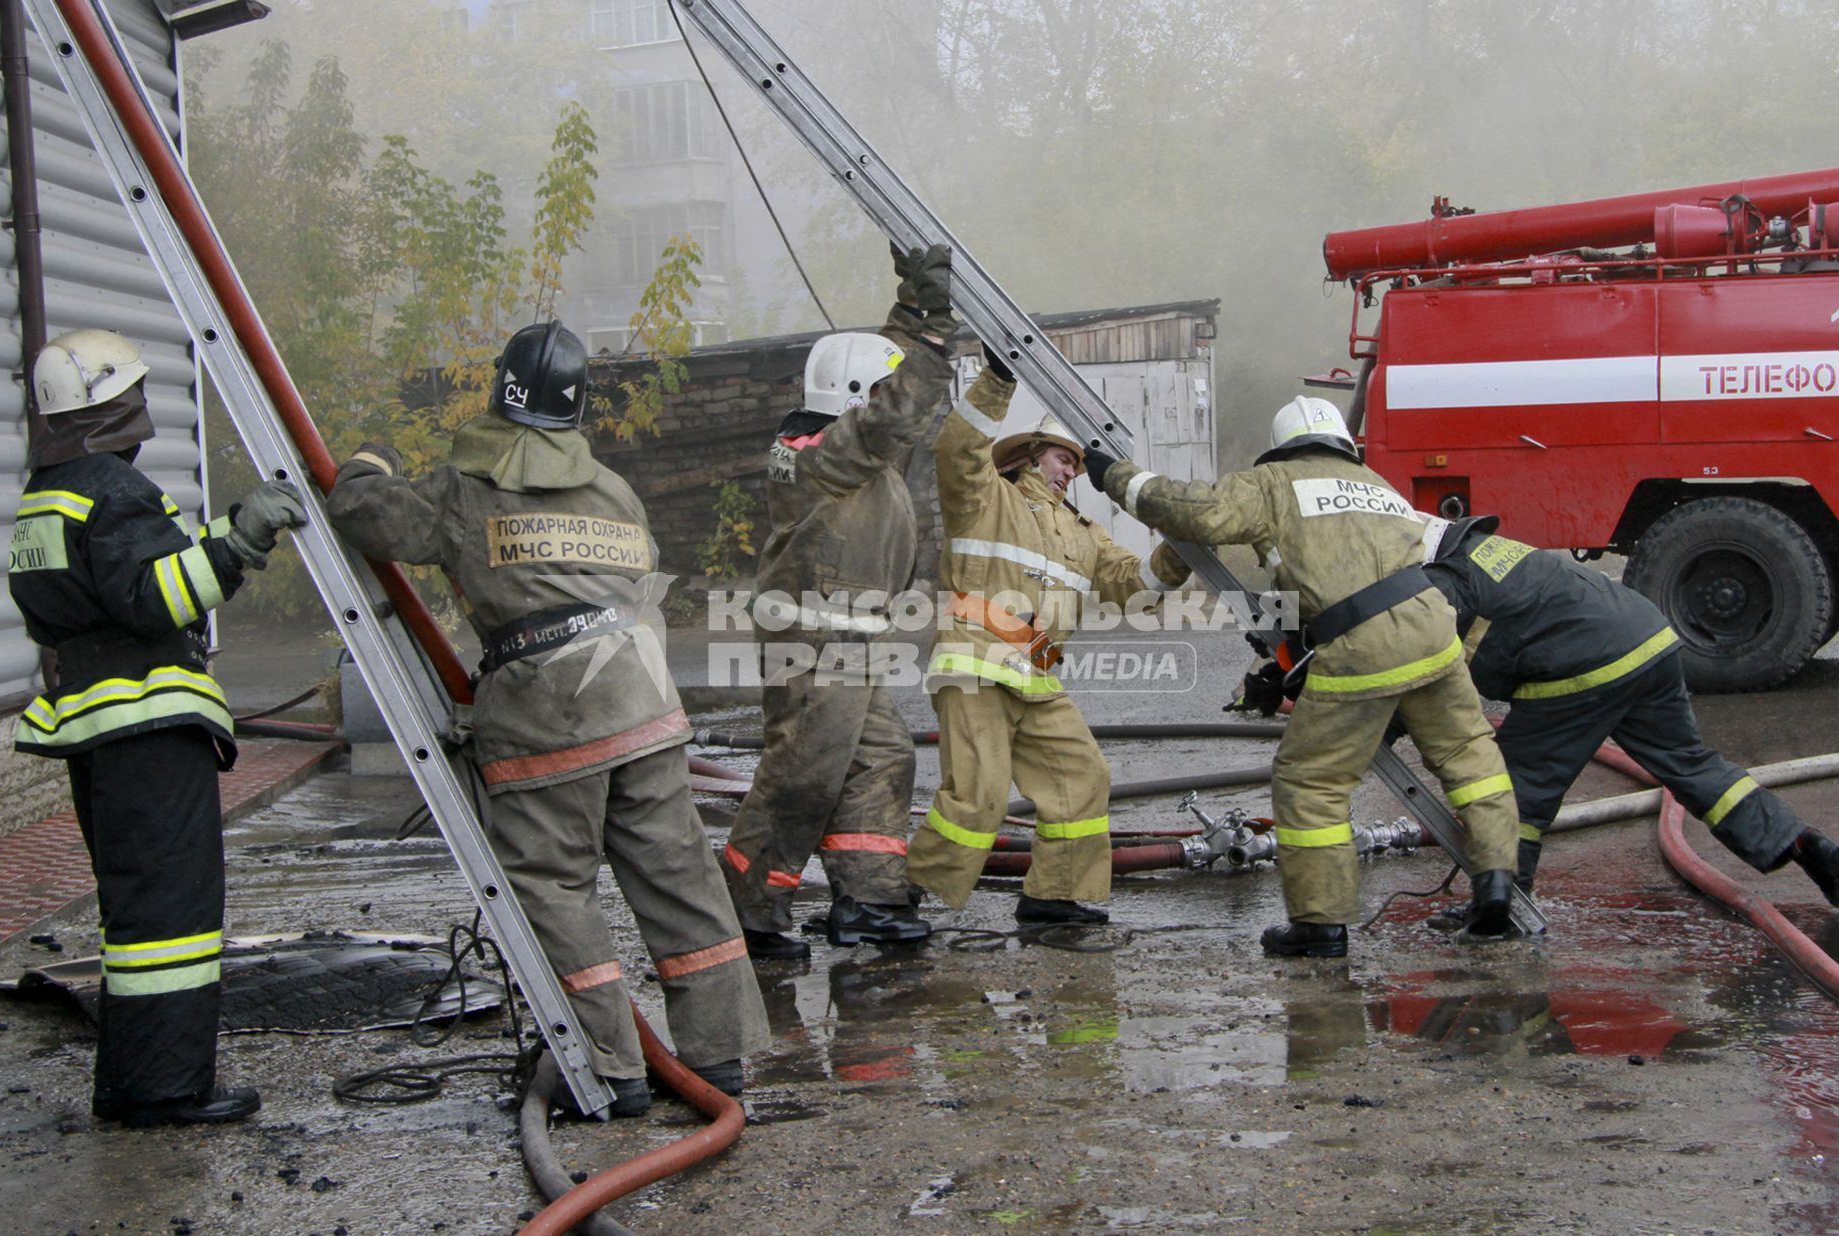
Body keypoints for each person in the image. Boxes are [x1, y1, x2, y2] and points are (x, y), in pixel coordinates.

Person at [326, 320, 768, 1117]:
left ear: (501, 394)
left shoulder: (467, 490)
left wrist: (367, 463)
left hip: (547, 720)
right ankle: (720, 1058)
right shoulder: (615, 489)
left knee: (553, 890)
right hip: (645, 706)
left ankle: (611, 1071)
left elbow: (367, 515)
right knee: (679, 881)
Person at [1087, 395, 1519, 957]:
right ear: (1341, 441)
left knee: (1310, 782)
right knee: (1471, 758)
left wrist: (1117, 477)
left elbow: (1199, 512)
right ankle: (1498, 887)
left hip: (1362, 644)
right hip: (1433, 631)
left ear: (1284, 445)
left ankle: (1320, 925)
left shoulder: (1273, 482)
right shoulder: (1377, 485)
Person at [8, 328, 307, 1127]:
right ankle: (166, 1089)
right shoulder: (113, 488)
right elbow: (155, 597)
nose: (144, 408)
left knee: (136, 911)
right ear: (111, 406)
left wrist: (219, 541)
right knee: (170, 916)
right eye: (132, 395)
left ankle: (132, 1082)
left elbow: (117, 587)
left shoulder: (47, 495)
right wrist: (241, 540)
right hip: (146, 725)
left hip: (97, 728)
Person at [1417, 515, 1839, 923]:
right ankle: (1798, 841)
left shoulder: (1437, 583)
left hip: (1580, 662)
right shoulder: (1477, 548)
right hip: (1647, 638)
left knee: (1511, 788)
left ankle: (1504, 908)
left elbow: (1416, 671)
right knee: (1690, 762)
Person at [721, 245, 958, 959]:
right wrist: (933, 332)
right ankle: (746, 906)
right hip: (818, 645)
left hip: (848, 643)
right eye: (876, 392)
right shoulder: (822, 453)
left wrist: (907, 316)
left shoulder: (840, 447)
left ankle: (870, 898)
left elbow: (883, 396)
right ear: (858, 397)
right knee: (805, 774)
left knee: (881, 757)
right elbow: (894, 410)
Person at [903, 348, 1191, 925]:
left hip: (1035, 674)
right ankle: (900, 895)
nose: (1069, 472)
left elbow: (1136, 587)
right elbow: (956, 449)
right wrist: (998, 379)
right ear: (1032, 455)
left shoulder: (1085, 534)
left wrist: (1184, 544)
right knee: (978, 799)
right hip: (977, 662)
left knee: (1082, 776)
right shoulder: (987, 497)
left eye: (1077, 466)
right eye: (1063, 458)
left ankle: (1053, 895)